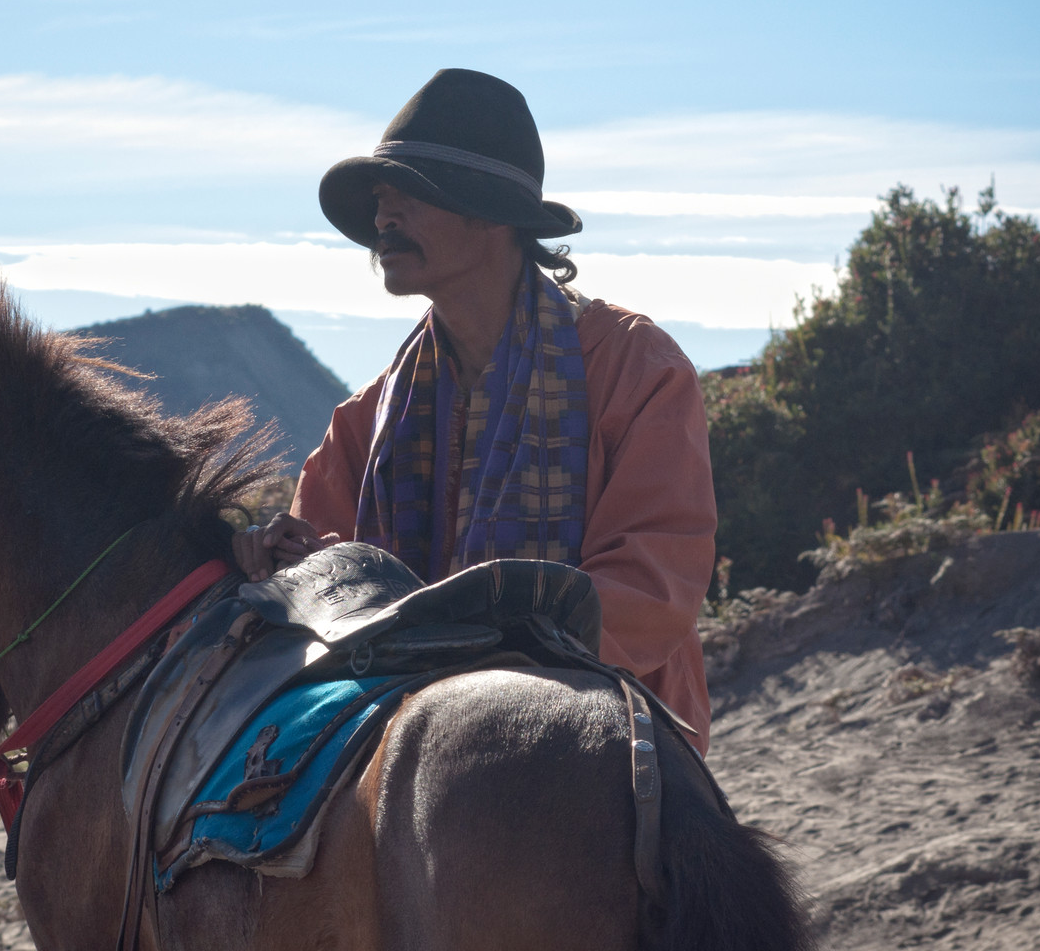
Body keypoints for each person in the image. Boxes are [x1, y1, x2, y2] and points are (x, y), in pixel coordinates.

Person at [234, 68, 716, 751]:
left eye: (408, 197)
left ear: (489, 214)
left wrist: (473, 660)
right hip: (406, 746)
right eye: (378, 200)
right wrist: (282, 559)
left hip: (611, 741)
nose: (381, 220)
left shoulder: (636, 368)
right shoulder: (365, 419)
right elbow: (329, 583)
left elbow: (654, 588)